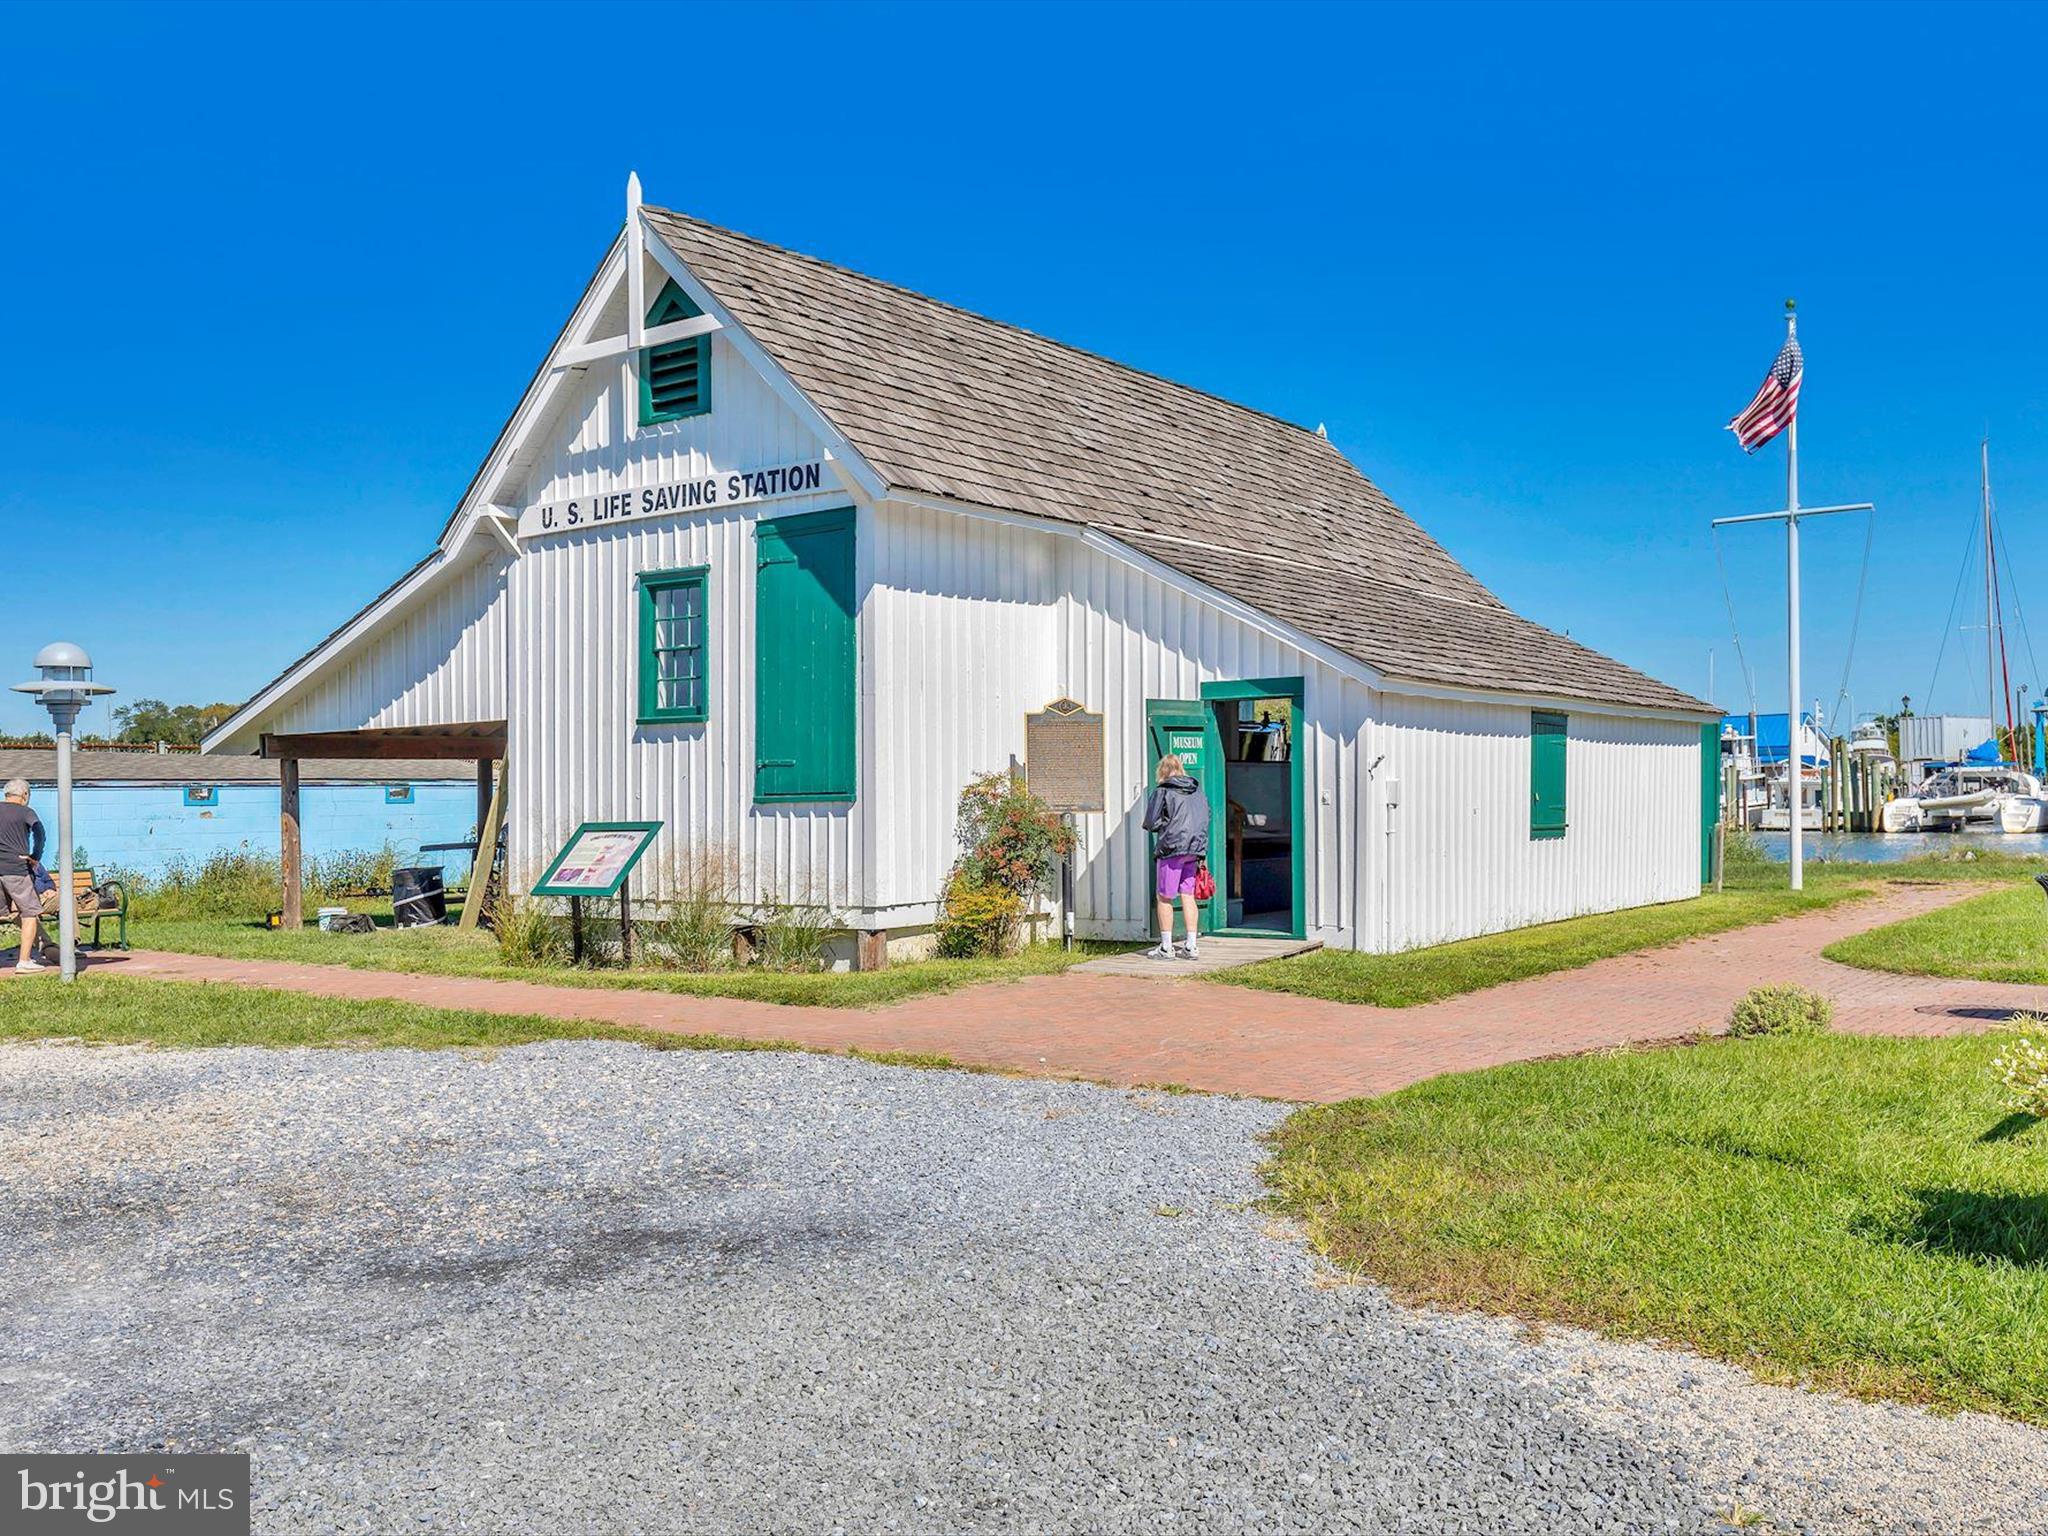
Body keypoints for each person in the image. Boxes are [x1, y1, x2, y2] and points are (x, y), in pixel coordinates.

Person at [1141, 754, 1211, 961]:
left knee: (1164, 897)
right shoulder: (1197, 791)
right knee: (1187, 895)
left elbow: (1150, 823)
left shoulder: (1163, 791)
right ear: (1181, 769)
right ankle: (1191, 945)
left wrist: (1165, 825)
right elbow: (1207, 816)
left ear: (1162, 771)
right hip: (1194, 850)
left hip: (1171, 849)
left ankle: (1166, 947)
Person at [0, 778, 52, 974]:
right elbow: (40, 833)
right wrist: (35, 857)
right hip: (17, 869)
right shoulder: (26, 812)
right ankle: (24, 961)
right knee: (29, 913)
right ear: (25, 795)